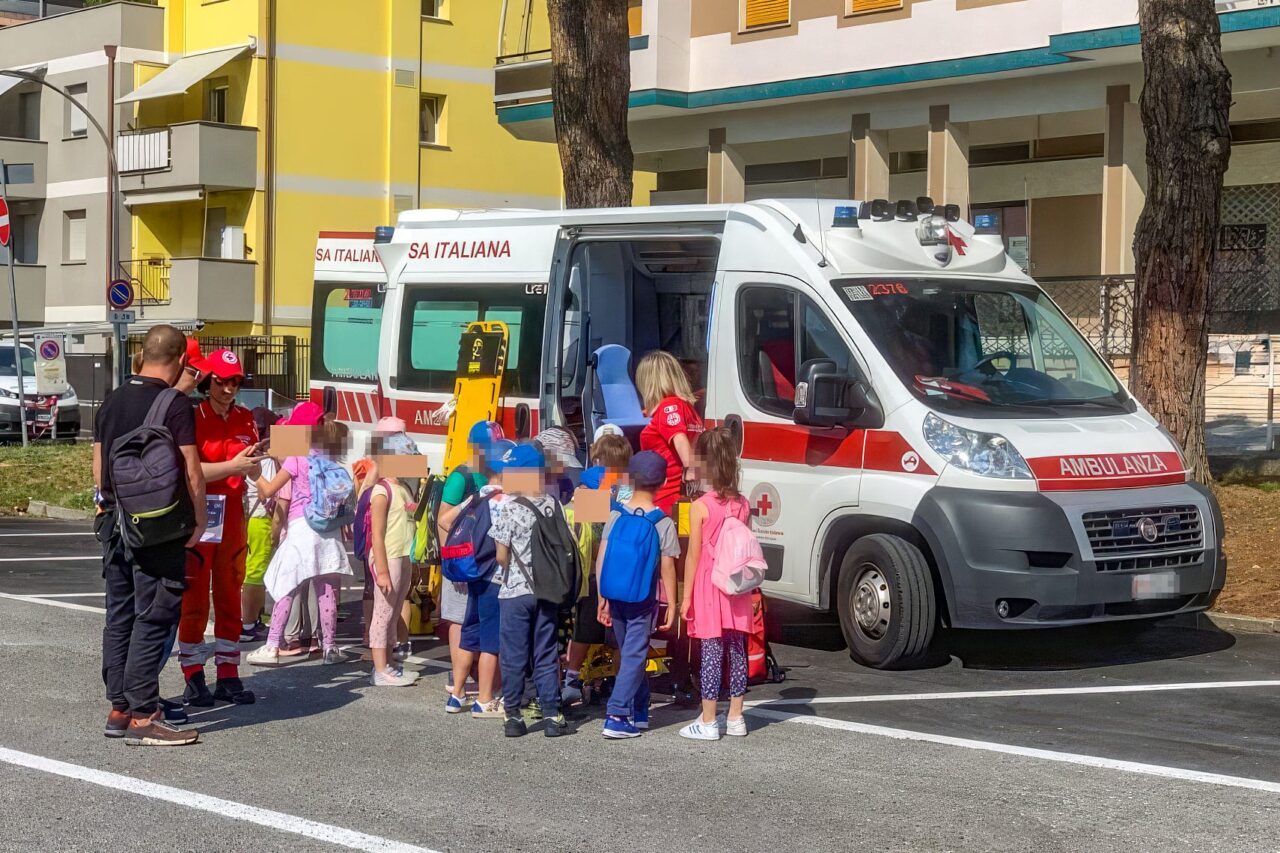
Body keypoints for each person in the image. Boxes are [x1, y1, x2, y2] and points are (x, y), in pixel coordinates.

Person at [94, 324, 205, 746]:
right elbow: (190, 469)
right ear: (178, 360)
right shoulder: (174, 404)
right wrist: (198, 520)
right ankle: (145, 715)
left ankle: (119, 707)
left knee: (119, 614)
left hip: (115, 523)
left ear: (143, 353)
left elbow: (99, 468)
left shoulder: (113, 399)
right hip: (158, 526)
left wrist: (110, 507)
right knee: (155, 613)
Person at [177, 349, 261, 707]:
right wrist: (233, 466)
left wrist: (259, 464)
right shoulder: (192, 417)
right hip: (199, 514)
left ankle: (228, 673)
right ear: (208, 381)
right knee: (194, 599)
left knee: (230, 595)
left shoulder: (245, 418)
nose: (229, 388)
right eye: (222, 381)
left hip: (233, 518)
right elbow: (189, 472)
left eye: (236, 381)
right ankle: (193, 675)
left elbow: (252, 470)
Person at [247, 415, 355, 666]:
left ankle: (273, 645)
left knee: (287, 586)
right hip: (328, 532)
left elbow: (269, 490)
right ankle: (329, 647)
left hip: (300, 528)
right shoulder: (335, 464)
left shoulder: (297, 458)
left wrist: (255, 475)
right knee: (327, 591)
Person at [595, 451, 679, 739]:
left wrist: (601, 597)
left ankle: (639, 708)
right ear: (664, 481)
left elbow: (602, 558)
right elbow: (667, 566)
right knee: (634, 654)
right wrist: (673, 603)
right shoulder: (662, 522)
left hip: (614, 594)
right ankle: (617, 714)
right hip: (643, 598)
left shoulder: (616, 514)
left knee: (629, 652)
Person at [489, 443, 569, 738]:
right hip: (547, 589)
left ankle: (513, 716)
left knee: (513, 655)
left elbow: (501, 555)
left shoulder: (509, 510)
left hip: (514, 592)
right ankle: (552, 715)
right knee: (546, 653)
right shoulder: (553, 504)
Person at [679, 428, 754, 740]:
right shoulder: (743, 504)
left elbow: (694, 557)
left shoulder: (701, 506)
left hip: (710, 586)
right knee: (737, 649)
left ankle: (708, 720)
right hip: (737, 585)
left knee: (710, 650)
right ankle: (736, 715)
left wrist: (685, 599)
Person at [562, 427, 633, 705]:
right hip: (623, 568)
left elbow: (589, 538)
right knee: (618, 635)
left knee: (584, 629)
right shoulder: (629, 487)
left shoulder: (589, 484)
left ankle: (571, 680)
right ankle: (615, 683)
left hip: (594, 572)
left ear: (599, 459)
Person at [437, 420, 502, 706]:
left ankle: (474, 681)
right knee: (458, 620)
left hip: (481, 562)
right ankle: (457, 680)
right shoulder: (461, 476)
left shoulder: (490, 474)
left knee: (474, 622)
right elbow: (443, 521)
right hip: (461, 562)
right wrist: (452, 565)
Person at [365, 422, 420, 688]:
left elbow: (410, 518)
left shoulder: (402, 489)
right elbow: (377, 534)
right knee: (383, 613)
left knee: (394, 610)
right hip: (389, 558)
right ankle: (379, 669)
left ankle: (388, 664)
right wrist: (383, 570)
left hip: (403, 556)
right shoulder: (381, 490)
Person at [635, 351, 704, 514]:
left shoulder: (668, 408)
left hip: (664, 498)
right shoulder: (687, 408)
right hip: (685, 496)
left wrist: (690, 468)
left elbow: (679, 438)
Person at [241, 406, 282, 642]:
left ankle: (252, 617)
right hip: (260, 519)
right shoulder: (266, 457)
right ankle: (248, 625)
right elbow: (269, 491)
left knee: (247, 570)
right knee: (255, 573)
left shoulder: (247, 452)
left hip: (246, 517)